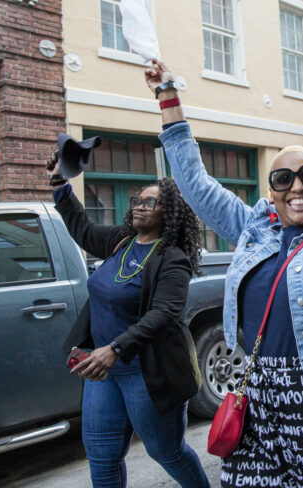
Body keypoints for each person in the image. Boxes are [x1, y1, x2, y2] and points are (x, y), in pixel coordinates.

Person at [146, 60, 303, 488]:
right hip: (260, 404)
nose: (297, 187)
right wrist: (168, 97)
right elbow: (194, 182)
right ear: (271, 191)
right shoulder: (254, 230)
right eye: (283, 179)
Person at [47, 155, 209, 488]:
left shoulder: (172, 259)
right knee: (102, 457)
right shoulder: (121, 242)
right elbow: (83, 228)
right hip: (103, 372)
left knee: (167, 452)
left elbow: (164, 313)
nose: (140, 206)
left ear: (170, 214)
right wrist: (59, 184)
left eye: (152, 203)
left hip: (145, 372)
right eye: (139, 200)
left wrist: (116, 349)